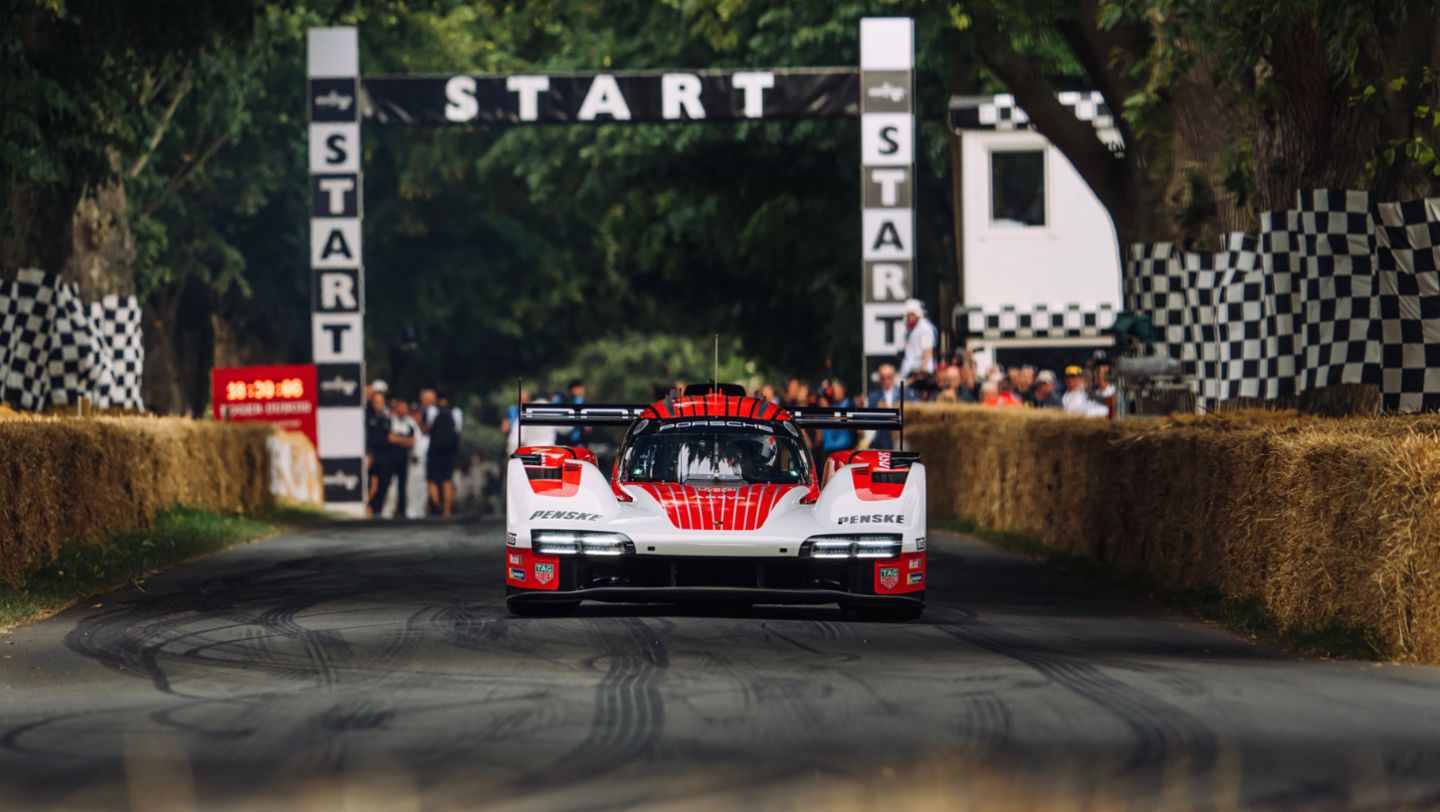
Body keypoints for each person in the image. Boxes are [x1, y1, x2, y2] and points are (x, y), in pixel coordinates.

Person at [370, 398, 417, 518]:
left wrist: (399, 439)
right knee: (384, 483)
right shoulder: (391, 420)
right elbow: (390, 438)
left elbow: (412, 442)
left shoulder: (410, 423)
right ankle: (377, 508)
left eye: (404, 407)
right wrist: (404, 440)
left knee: (403, 485)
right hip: (390, 458)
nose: (402, 410)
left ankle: (402, 511)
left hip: (404, 458)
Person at [427, 393, 463, 517]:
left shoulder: (432, 411)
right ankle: (447, 510)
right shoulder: (456, 412)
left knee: (432, 479)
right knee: (447, 480)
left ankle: (436, 504)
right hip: (449, 452)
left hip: (435, 451)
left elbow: (428, 428)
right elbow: (458, 432)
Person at [897, 298, 938, 389]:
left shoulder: (925, 329)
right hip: (909, 368)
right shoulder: (909, 328)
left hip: (919, 371)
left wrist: (921, 373)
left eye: (912, 314)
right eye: (908, 315)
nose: (909, 317)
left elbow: (928, 352)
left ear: (918, 314)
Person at [866, 364, 905, 449]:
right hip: (881, 440)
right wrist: (878, 411)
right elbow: (868, 419)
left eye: (889, 377)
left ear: (894, 377)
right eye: (883, 378)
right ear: (880, 379)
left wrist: (894, 409)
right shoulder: (873, 396)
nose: (886, 380)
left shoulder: (904, 393)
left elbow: (912, 410)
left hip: (900, 438)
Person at [364, 390, 390, 517]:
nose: (378, 404)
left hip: (384, 455)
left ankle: (378, 508)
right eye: (376, 401)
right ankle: (368, 506)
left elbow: (389, 437)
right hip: (372, 454)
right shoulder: (367, 417)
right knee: (371, 482)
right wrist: (368, 452)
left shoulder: (386, 419)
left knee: (384, 482)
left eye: (381, 401)